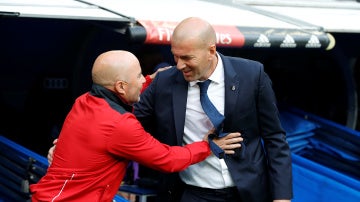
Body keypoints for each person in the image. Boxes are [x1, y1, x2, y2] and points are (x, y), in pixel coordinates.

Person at [30, 50, 243, 202]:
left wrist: (152, 79)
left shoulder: (84, 101)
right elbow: (168, 159)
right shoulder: (120, 125)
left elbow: (116, 107)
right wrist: (208, 145)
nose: (143, 80)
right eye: (139, 75)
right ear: (121, 86)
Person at [133, 17, 293, 202]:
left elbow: (274, 138)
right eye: (175, 56)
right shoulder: (164, 82)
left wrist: (282, 197)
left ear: (211, 51)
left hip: (249, 192)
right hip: (192, 194)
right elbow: (127, 124)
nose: (179, 65)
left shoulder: (252, 75)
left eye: (187, 58)